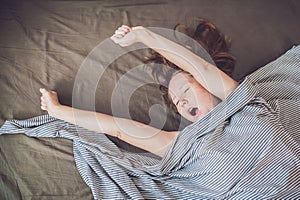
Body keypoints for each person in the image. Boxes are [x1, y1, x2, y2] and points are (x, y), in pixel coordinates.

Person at [40, 21, 239, 157]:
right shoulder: (183, 142)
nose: (182, 102)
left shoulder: (239, 99)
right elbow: (120, 130)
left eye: (185, 91)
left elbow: (201, 67)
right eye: (177, 102)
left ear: (208, 83)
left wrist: (143, 35)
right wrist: (58, 111)